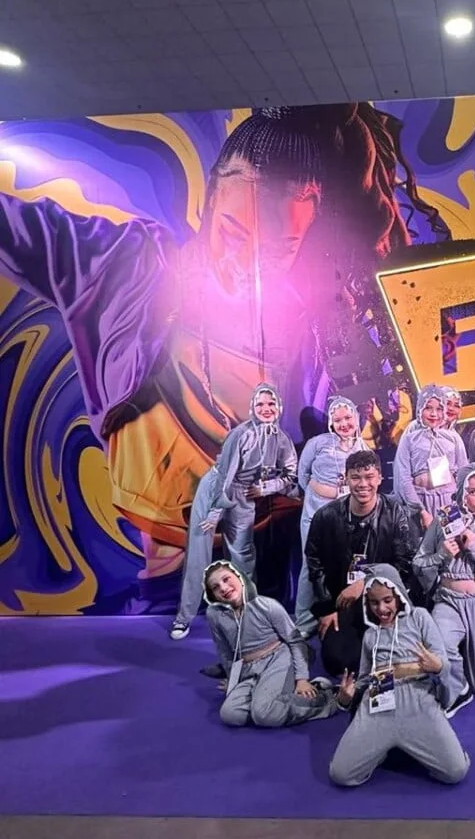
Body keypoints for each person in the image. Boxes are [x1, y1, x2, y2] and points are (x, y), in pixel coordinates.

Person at [0, 104, 447, 604]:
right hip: (170, 570)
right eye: (234, 235)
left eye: (279, 250)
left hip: (268, 556)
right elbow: (16, 227)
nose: (246, 265)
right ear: (211, 199)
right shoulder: (128, 269)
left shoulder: (307, 327)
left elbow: (317, 458)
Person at [169, 383, 297, 639]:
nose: (266, 409)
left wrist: (266, 488)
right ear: (252, 408)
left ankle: (247, 617)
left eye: (271, 403)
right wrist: (216, 511)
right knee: (199, 552)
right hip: (215, 490)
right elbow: (226, 476)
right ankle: (183, 619)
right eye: (260, 404)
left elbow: (291, 476)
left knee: (243, 556)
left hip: (244, 495)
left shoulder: (282, 440)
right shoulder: (240, 434)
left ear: (279, 407)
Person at [329, 566, 470, 787]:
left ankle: (408, 745)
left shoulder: (419, 618)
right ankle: (384, 748)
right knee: (341, 774)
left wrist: (437, 666)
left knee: (456, 771)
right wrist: (346, 698)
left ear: (399, 595)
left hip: (418, 698)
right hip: (378, 703)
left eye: (387, 600)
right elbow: (365, 680)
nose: (381, 608)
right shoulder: (370, 635)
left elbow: (443, 663)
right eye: (374, 603)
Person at [305, 449, 416, 677]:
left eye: (369, 477)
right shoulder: (325, 516)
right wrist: (327, 608)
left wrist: (365, 583)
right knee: (337, 662)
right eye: (355, 477)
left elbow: (404, 564)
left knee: (394, 657)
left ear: (380, 478)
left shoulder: (396, 513)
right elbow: (314, 563)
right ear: (345, 479)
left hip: (384, 599)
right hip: (343, 600)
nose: (363, 484)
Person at [413, 465, 475, 704]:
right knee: (440, 645)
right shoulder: (443, 520)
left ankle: (466, 675)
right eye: (473, 492)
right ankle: (458, 686)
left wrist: (474, 549)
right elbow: (418, 563)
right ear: (461, 493)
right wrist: (441, 555)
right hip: (448, 600)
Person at [203, 560, 336, 728]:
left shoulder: (266, 605)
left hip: (278, 659)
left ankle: (325, 698)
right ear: (213, 595)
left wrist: (302, 678)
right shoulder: (214, 614)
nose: (223, 588)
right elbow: (225, 651)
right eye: (215, 587)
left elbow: (295, 641)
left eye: (226, 579)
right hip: (248, 669)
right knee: (230, 714)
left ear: (239, 577)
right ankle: (273, 698)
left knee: (264, 715)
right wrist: (232, 680)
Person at [293, 396, 366, 636]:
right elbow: (302, 474)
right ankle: (303, 623)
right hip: (314, 514)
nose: (343, 424)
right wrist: (320, 493)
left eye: (348, 418)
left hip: (345, 517)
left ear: (356, 418)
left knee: (342, 564)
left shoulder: (362, 448)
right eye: (338, 420)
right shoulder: (317, 443)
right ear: (331, 423)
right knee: (310, 565)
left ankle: (338, 617)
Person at [391, 384, 468, 518]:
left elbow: (463, 473)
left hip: (448, 501)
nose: (434, 414)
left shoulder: (453, 437)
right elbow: (403, 476)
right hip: (421, 500)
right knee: (425, 530)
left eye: (439, 409)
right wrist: (419, 509)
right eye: (428, 408)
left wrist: (460, 505)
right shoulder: (411, 435)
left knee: (449, 531)